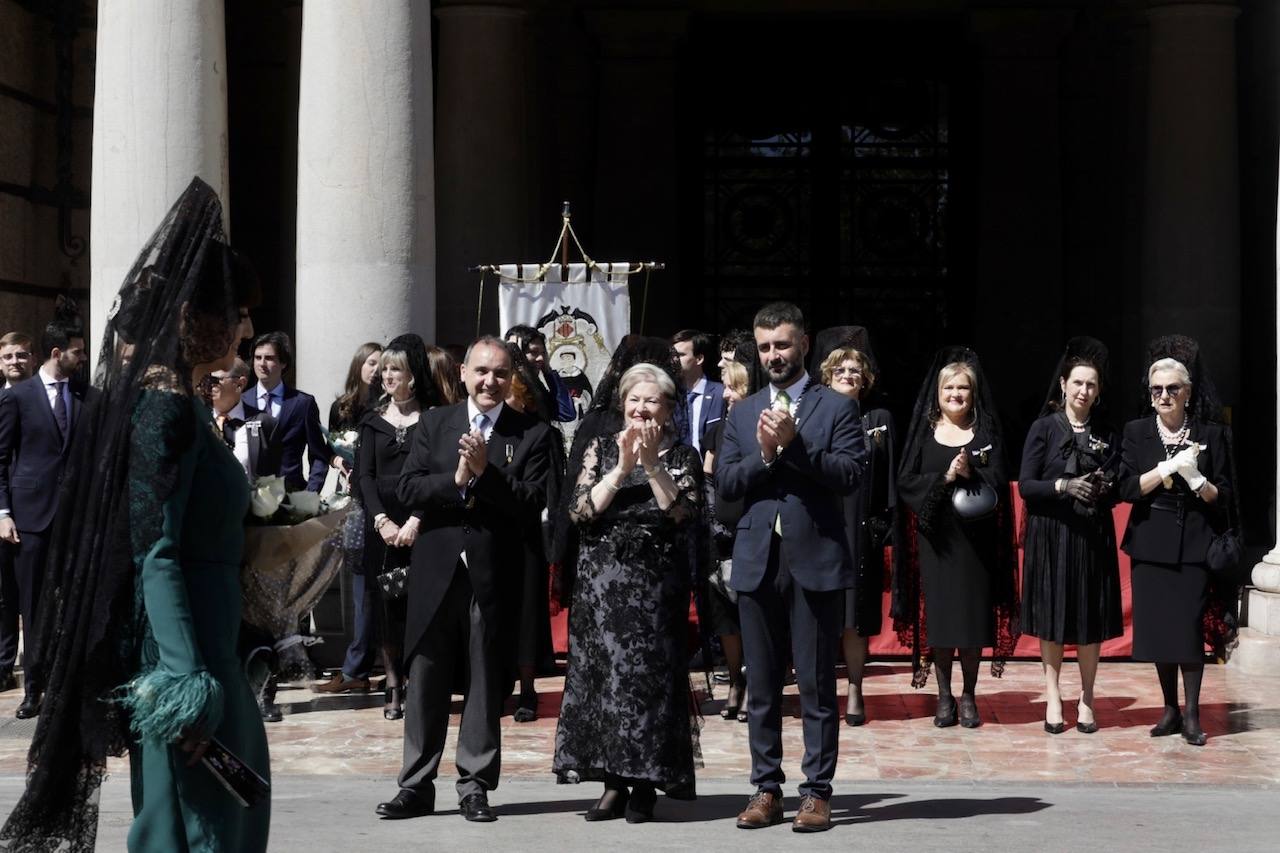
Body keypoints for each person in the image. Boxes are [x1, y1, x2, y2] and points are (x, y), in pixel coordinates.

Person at [0, 178, 270, 851]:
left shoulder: (183, 405)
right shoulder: (164, 412)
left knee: (224, 821)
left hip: (212, 643)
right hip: (190, 658)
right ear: (193, 317)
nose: (246, 325)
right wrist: (184, 678)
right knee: (196, 830)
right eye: (237, 310)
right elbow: (156, 549)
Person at [377, 336, 554, 823]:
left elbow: (530, 502)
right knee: (426, 677)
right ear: (463, 373)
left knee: (483, 678)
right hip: (436, 569)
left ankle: (475, 785)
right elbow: (406, 486)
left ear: (511, 376)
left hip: (491, 573)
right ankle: (415, 784)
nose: (489, 382)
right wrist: (456, 479)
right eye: (480, 371)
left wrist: (486, 474)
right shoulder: (435, 423)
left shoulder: (533, 433)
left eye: (499, 373)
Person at [716, 302, 866, 833]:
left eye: (782, 344)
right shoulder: (741, 411)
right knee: (761, 684)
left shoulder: (837, 408)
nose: (773, 355)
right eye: (764, 347)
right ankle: (765, 789)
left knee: (817, 685)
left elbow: (849, 475)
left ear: (803, 344)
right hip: (759, 560)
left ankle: (817, 793)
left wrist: (794, 446)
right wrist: (764, 455)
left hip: (816, 558)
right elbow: (727, 490)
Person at [553, 363, 701, 823]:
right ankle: (612, 782)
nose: (640, 408)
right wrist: (621, 469)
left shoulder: (682, 455)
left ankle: (644, 784)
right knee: (603, 682)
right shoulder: (599, 447)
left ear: (669, 408)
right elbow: (580, 513)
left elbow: (681, 513)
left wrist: (652, 464)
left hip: (654, 589)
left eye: (651, 400)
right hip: (601, 586)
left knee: (646, 683)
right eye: (633, 400)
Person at [1118, 336, 1235, 747]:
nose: (1164, 396)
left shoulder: (1212, 434)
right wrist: (1165, 469)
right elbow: (1127, 488)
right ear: (1149, 396)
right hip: (1151, 542)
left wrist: (1197, 480)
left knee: (1186, 633)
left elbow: (1225, 497)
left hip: (1194, 543)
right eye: (1157, 390)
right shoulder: (1136, 433)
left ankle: (1191, 714)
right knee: (1159, 634)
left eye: (1172, 389)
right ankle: (1169, 708)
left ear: (1187, 393)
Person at [895, 347, 1020, 730]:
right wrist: (946, 477)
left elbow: (1000, 480)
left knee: (970, 623)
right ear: (938, 392)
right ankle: (944, 695)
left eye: (963, 388)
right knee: (943, 623)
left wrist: (971, 474)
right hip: (937, 543)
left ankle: (968, 694)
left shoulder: (985, 434)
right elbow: (906, 482)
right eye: (948, 387)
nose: (955, 394)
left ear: (973, 392)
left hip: (975, 544)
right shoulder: (924, 434)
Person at [1019, 337, 1123, 734]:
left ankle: (1088, 697)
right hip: (1052, 535)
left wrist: (1102, 486)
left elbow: (1119, 481)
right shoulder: (1043, 428)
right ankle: (1052, 695)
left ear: (1098, 392)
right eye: (1078, 383)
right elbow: (1027, 485)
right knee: (1053, 617)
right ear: (1063, 384)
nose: (1084, 391)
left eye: (1091, 385)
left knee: (1089, 619)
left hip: (1092, 536)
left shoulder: (1108, 432)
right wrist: (1063, 486)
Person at [0, 310, 89, 718]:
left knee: (73, 602)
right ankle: (34, 689)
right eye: (77, 351)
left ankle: (68, 682)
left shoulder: (89, 396)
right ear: (57, 353)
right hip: (30, 519)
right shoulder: (17, 397)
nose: (83, 357)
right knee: (32, 607)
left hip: (75, 520)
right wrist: (4, 512)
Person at [347, 335, 438, 720]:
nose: (386, 375)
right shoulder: (371, 421)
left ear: (412, 375)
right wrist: (382, 520)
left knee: (419, 603)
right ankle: (391, 682)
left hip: (422, 519)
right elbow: (364, 477)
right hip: (380, 523)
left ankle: (419, 680)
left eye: (394, 368)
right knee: (384, 605)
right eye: (383, 368)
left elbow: (438, 474)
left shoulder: (434, 419)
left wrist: (416, 519)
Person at [812, 328, 897, 727]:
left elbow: (890, 478)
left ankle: (856, 689)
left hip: (862, 525)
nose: (849, 373)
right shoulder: (814, 415)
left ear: (866, 378)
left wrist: (887, 525)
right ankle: (823, 689)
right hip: (822, 525)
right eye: (841, 368)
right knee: (823, 612)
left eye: (856, 369)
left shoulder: (879, 419)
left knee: (856, 614)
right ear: (827, 374)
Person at [703, 360, 751, 722]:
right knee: (726, 618)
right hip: (720, 534)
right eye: (725, 387)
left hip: (755, 532)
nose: (727, 394)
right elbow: (708, 475)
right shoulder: (718, 429)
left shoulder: (762, 425)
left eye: (733, 386)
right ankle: (735, 681)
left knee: (755, 615)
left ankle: (756, 683)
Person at [243, 331, 332, 492]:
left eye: (269, 358)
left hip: (291, 495)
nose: (261, 364)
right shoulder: (241, 401)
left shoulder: (302, 403)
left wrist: (310, 494)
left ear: (283, 363)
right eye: (257, 358)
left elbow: (318, 454)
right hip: (250, 495)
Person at [208, 357, 264, 481]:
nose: (211, 385)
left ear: (240, 384)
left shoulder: (263, 422)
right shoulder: (200, 419)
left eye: (218, 379)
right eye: (209, 379)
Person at [505, 324, 575, 422]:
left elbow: (567, 413)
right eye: (534, 352)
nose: (541, 358)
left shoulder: (537, 387)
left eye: (543, 353)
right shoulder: (506, 388)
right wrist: (520, 362)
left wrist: (548, 372)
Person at [673, 329, 725, 460]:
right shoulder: (669, 395)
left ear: (699, 359)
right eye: (672, 355)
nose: (674, 359)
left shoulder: (721, 394)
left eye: (680, 355)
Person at [329, 341, 383, 433]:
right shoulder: (340, 406)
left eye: (382, 366)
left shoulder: (386, 406)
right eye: (372, 363)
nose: (376, 370)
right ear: (359, 365)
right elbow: (332, 442)